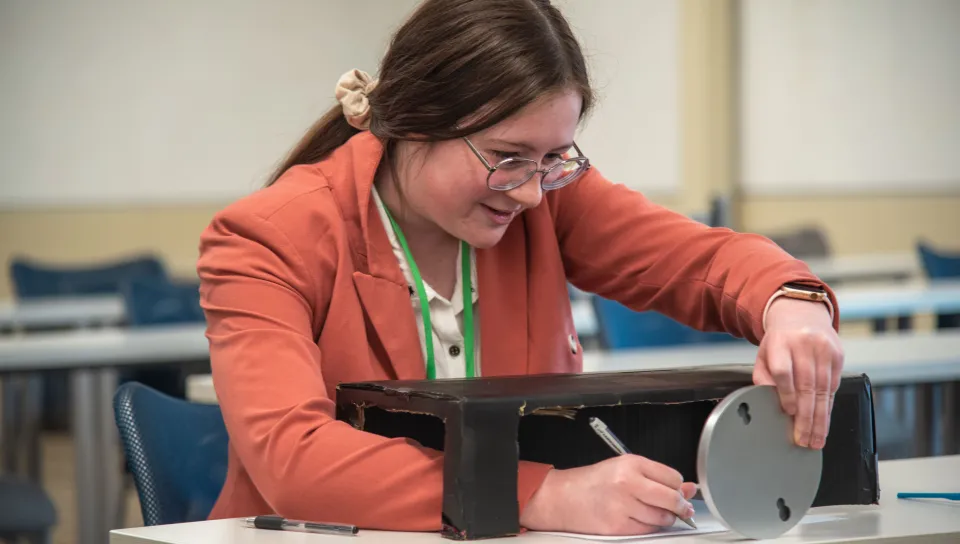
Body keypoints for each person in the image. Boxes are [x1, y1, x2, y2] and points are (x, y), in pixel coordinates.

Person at [197, 0, 843, 536]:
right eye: (507, 156)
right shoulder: (266, 237)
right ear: (414, 122)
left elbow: (704, 262)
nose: (532, 191)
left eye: (555, 157)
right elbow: (294, 459)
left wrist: (790, 305)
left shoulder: (545, 198)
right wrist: (540, 496)